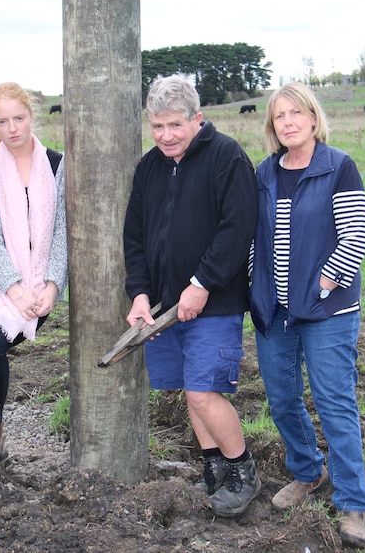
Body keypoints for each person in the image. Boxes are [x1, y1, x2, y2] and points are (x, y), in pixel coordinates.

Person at [123, 75, 260, 518]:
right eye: (157, 126)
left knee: (204, 392)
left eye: (175, 126)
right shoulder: (149, 167)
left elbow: (237, 229)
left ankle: (243, 471)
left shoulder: (226, 157)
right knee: (188, 389)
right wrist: (141, 295)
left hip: (214, 301)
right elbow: (136, 237)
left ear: (197, 119)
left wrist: (201, 284)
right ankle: (213, 468)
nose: (165, 136)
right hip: (165, 306)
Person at [248, 82, 365, 548]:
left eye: (296, 113)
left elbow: (354, 237)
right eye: (280, 116)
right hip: (274, 311)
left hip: (327, 310)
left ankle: (352, 504)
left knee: (335, 402)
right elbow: (254, 238)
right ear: (272, 126)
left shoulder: (338, 166)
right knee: (282, 399)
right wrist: (256, 287)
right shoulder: (264, 173)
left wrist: (320, 287)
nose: (289, 122)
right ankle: (307, 472)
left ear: (314, 119)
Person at [0, 82, 67, 469]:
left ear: (31, 115)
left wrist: (52, 285)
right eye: (2, 121)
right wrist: (12, 287)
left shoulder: (57, 164)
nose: (12, 128)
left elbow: (62, 231)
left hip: (40, 285)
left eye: (19, 118)